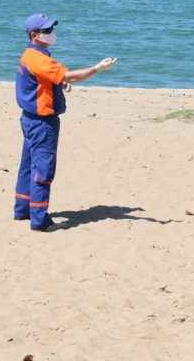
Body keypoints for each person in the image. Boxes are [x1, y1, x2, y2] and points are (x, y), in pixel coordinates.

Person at [14, 13, 117, 231]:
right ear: (35, 35)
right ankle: (39, 219)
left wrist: (58, 85)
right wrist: (97, 68)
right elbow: (70, 76)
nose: (51, 34)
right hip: (42, 123)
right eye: (47, 31)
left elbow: (42, 81)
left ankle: (22, 209)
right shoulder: (39, 59)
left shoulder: (29, 56)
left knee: (27, 166)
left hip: (29, 119)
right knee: (43, 169)